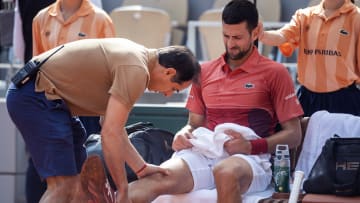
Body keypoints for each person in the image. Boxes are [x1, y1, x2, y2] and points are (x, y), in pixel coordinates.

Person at [123, 1, 302, 203]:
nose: (231, 43)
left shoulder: (275, 73)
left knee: (225, 172)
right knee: (154, 179)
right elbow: (193, 124)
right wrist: (183, 133)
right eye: (226, 36)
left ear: (256, 32)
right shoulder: (204, 72)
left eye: (237, 37)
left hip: (252, 160)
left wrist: (252, 146)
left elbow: (294, 135)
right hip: (205, 151)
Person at [6, 37, 201, 203]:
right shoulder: (136, 69)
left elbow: (112, 128)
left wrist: (140, 168)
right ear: (169, 72)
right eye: (174, 89)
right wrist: (123, 189)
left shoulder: (136, 58)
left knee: (77, 185)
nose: (167, 95)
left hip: (46, 99)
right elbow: (110, 133)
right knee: (62, 186)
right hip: (36, 96)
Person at [24, 1, 116, 202]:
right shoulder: (41, 18)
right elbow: (36, 67)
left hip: (86, 110)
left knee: (84, 175)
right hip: (49, 107)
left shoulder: (101, 19)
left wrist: (107, 114)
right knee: (41, 170)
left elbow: (111, 71)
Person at [258, 0, 360, 117]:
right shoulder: (304, 15)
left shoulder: (356, 18)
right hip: (307, 99)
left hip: (343, 100)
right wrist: (261, 34)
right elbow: (282, 36)